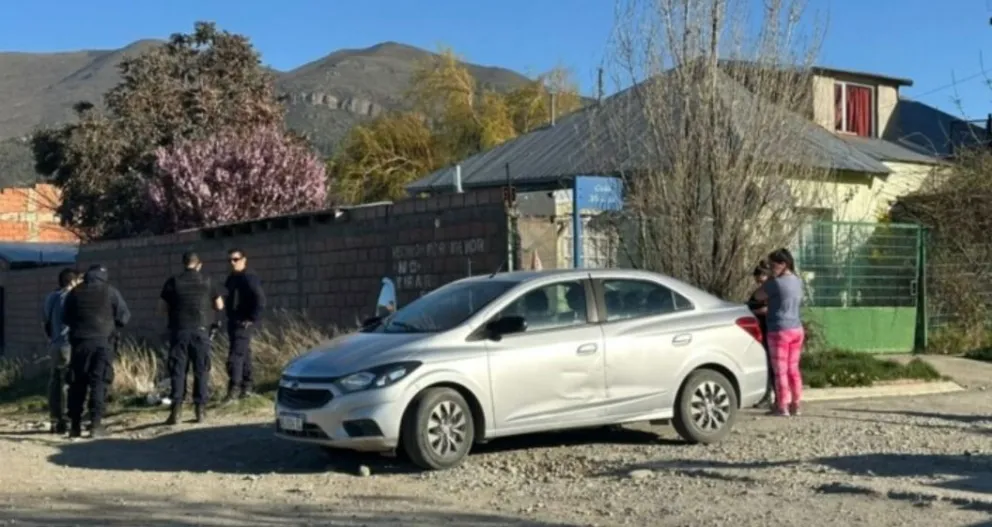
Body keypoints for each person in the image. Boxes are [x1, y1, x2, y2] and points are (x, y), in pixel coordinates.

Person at [62, 264, 130, 438]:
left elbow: (65, 318)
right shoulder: (110, 291)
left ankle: (75, 425)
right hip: (102, 344)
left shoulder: (74, 292)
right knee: (99, 382)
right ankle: (95, 424)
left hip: (79, 344)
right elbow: (124, 317)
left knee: (77, 383)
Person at [159, 251, 225, 425]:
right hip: (201, 331)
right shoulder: (208, 280)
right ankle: (200, 410)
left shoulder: (173, 282)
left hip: (179, 331)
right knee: (201, 370)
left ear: (184, 264)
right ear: (199, 264)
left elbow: (162, 308)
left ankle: (176, 411)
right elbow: (219, 305)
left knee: (178, 371)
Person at [754, 248, 805, 417]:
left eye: (772, 264)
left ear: (783, 264)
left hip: (779, 330)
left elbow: (758, 296)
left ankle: (782, 405)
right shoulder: (798, 281)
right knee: (793, 369)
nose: (770, 268)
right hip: (797, 328)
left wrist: (768, 280)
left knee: (780, 370)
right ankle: (796, 404)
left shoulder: (775, 283)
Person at [223, 248, 266, 402]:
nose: (232, 263)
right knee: (244, 354)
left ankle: (234, 389)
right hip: (233, 321)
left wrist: (252, 318)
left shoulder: (249, 277)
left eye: (235, 259)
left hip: (244, 322)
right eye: (230, 260)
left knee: (235, 356)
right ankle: (247, 386)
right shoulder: (232, 278)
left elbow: (260, 300)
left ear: (243, 260)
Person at [42, 268, 81, 434]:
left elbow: (45, 321)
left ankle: (54, 419)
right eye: (78, 281)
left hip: (54, 344)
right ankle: (65, 419)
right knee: (66, 383)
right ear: (72, 281)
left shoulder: (50, 297)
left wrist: (51, 339)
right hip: (67, 344)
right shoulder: (71, 297)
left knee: (54, 382)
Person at [746, 262, 774, 408]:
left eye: (761, 276)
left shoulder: (771, 291)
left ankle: (773, 396)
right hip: (760, 330)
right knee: (766, 363)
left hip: (770, 329)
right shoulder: (760, 291)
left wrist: (753, 312)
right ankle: (768, 394)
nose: (759, 280)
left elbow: (770, 309)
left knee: (773, 364)